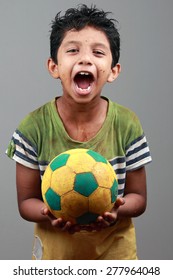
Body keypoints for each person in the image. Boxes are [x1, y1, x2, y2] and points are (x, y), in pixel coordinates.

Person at [6, 4, 152, 260]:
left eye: (98, 52)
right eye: (73, 50)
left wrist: (118, 210)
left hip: (115, 255)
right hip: (56, 258)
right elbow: (26, 201)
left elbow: (138, 197)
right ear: (54, 66)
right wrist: (49, 214)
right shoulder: (32, 127)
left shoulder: (127, 123)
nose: (85, 59)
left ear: (113, 71)